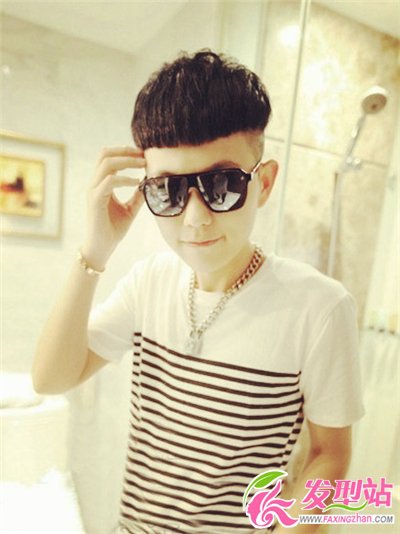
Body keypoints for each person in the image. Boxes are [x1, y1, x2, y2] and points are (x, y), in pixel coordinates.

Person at [33, 50, 365, 534]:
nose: (195, 218)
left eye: (222, 185)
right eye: (168, 190)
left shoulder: (320, 307)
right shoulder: (149, 282)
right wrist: (95, 252)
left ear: (264, 183)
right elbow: (50, 379)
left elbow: (328, 454)